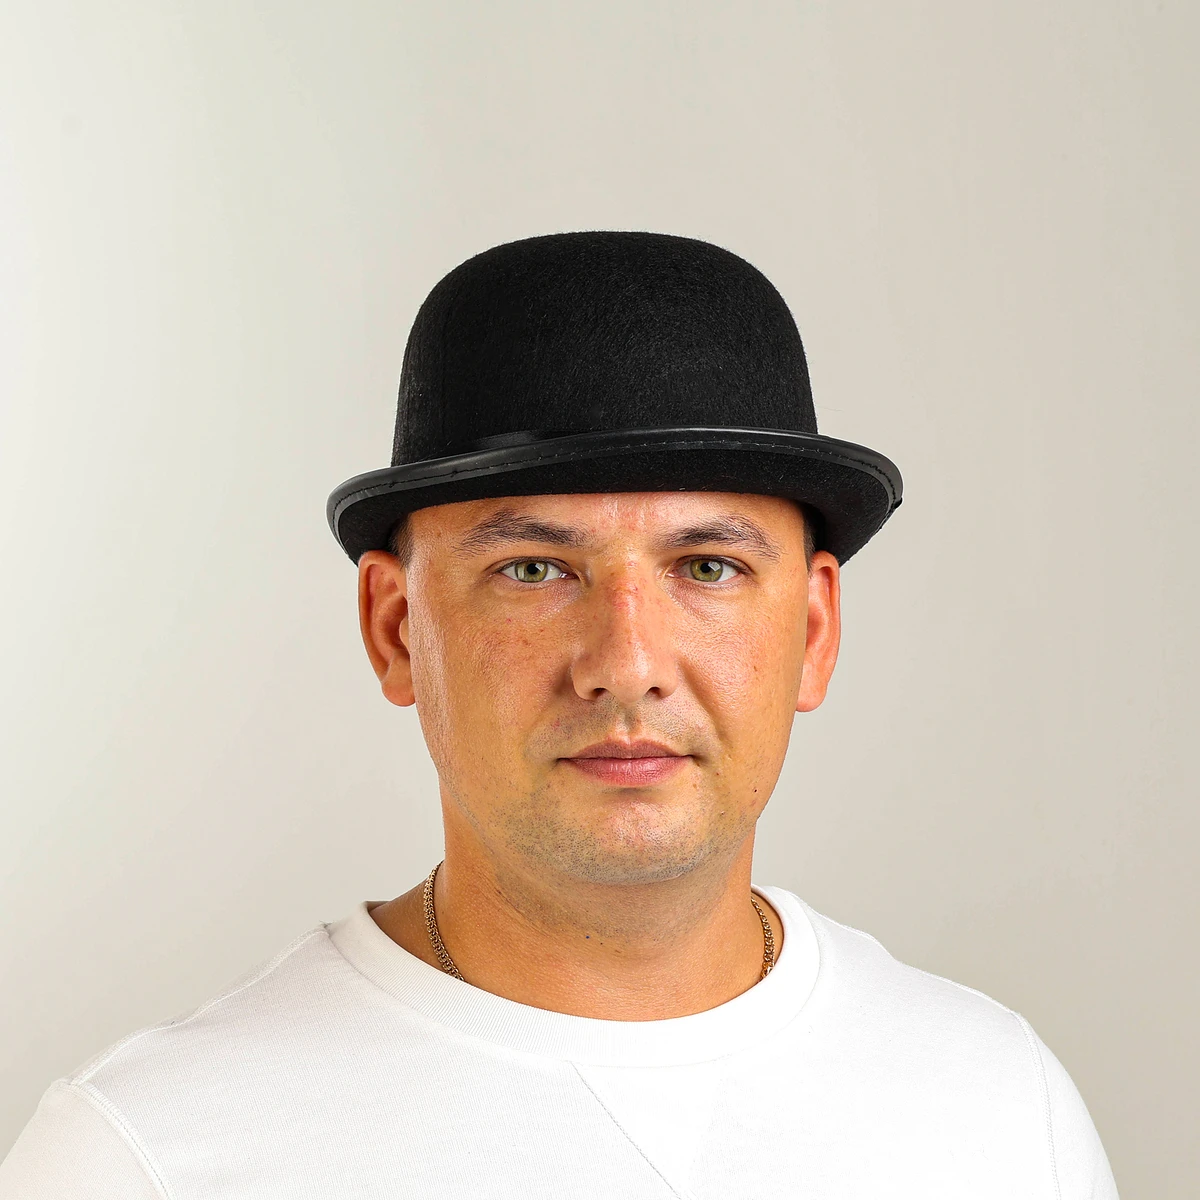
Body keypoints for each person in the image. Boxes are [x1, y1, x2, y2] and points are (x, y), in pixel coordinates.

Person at [0, 231, 1119, 1198]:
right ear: (396, 629)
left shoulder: (995, 1105)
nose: (626, 667)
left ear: (815, 631)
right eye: (533, 570)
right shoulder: (146, 1157)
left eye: (709, 567)